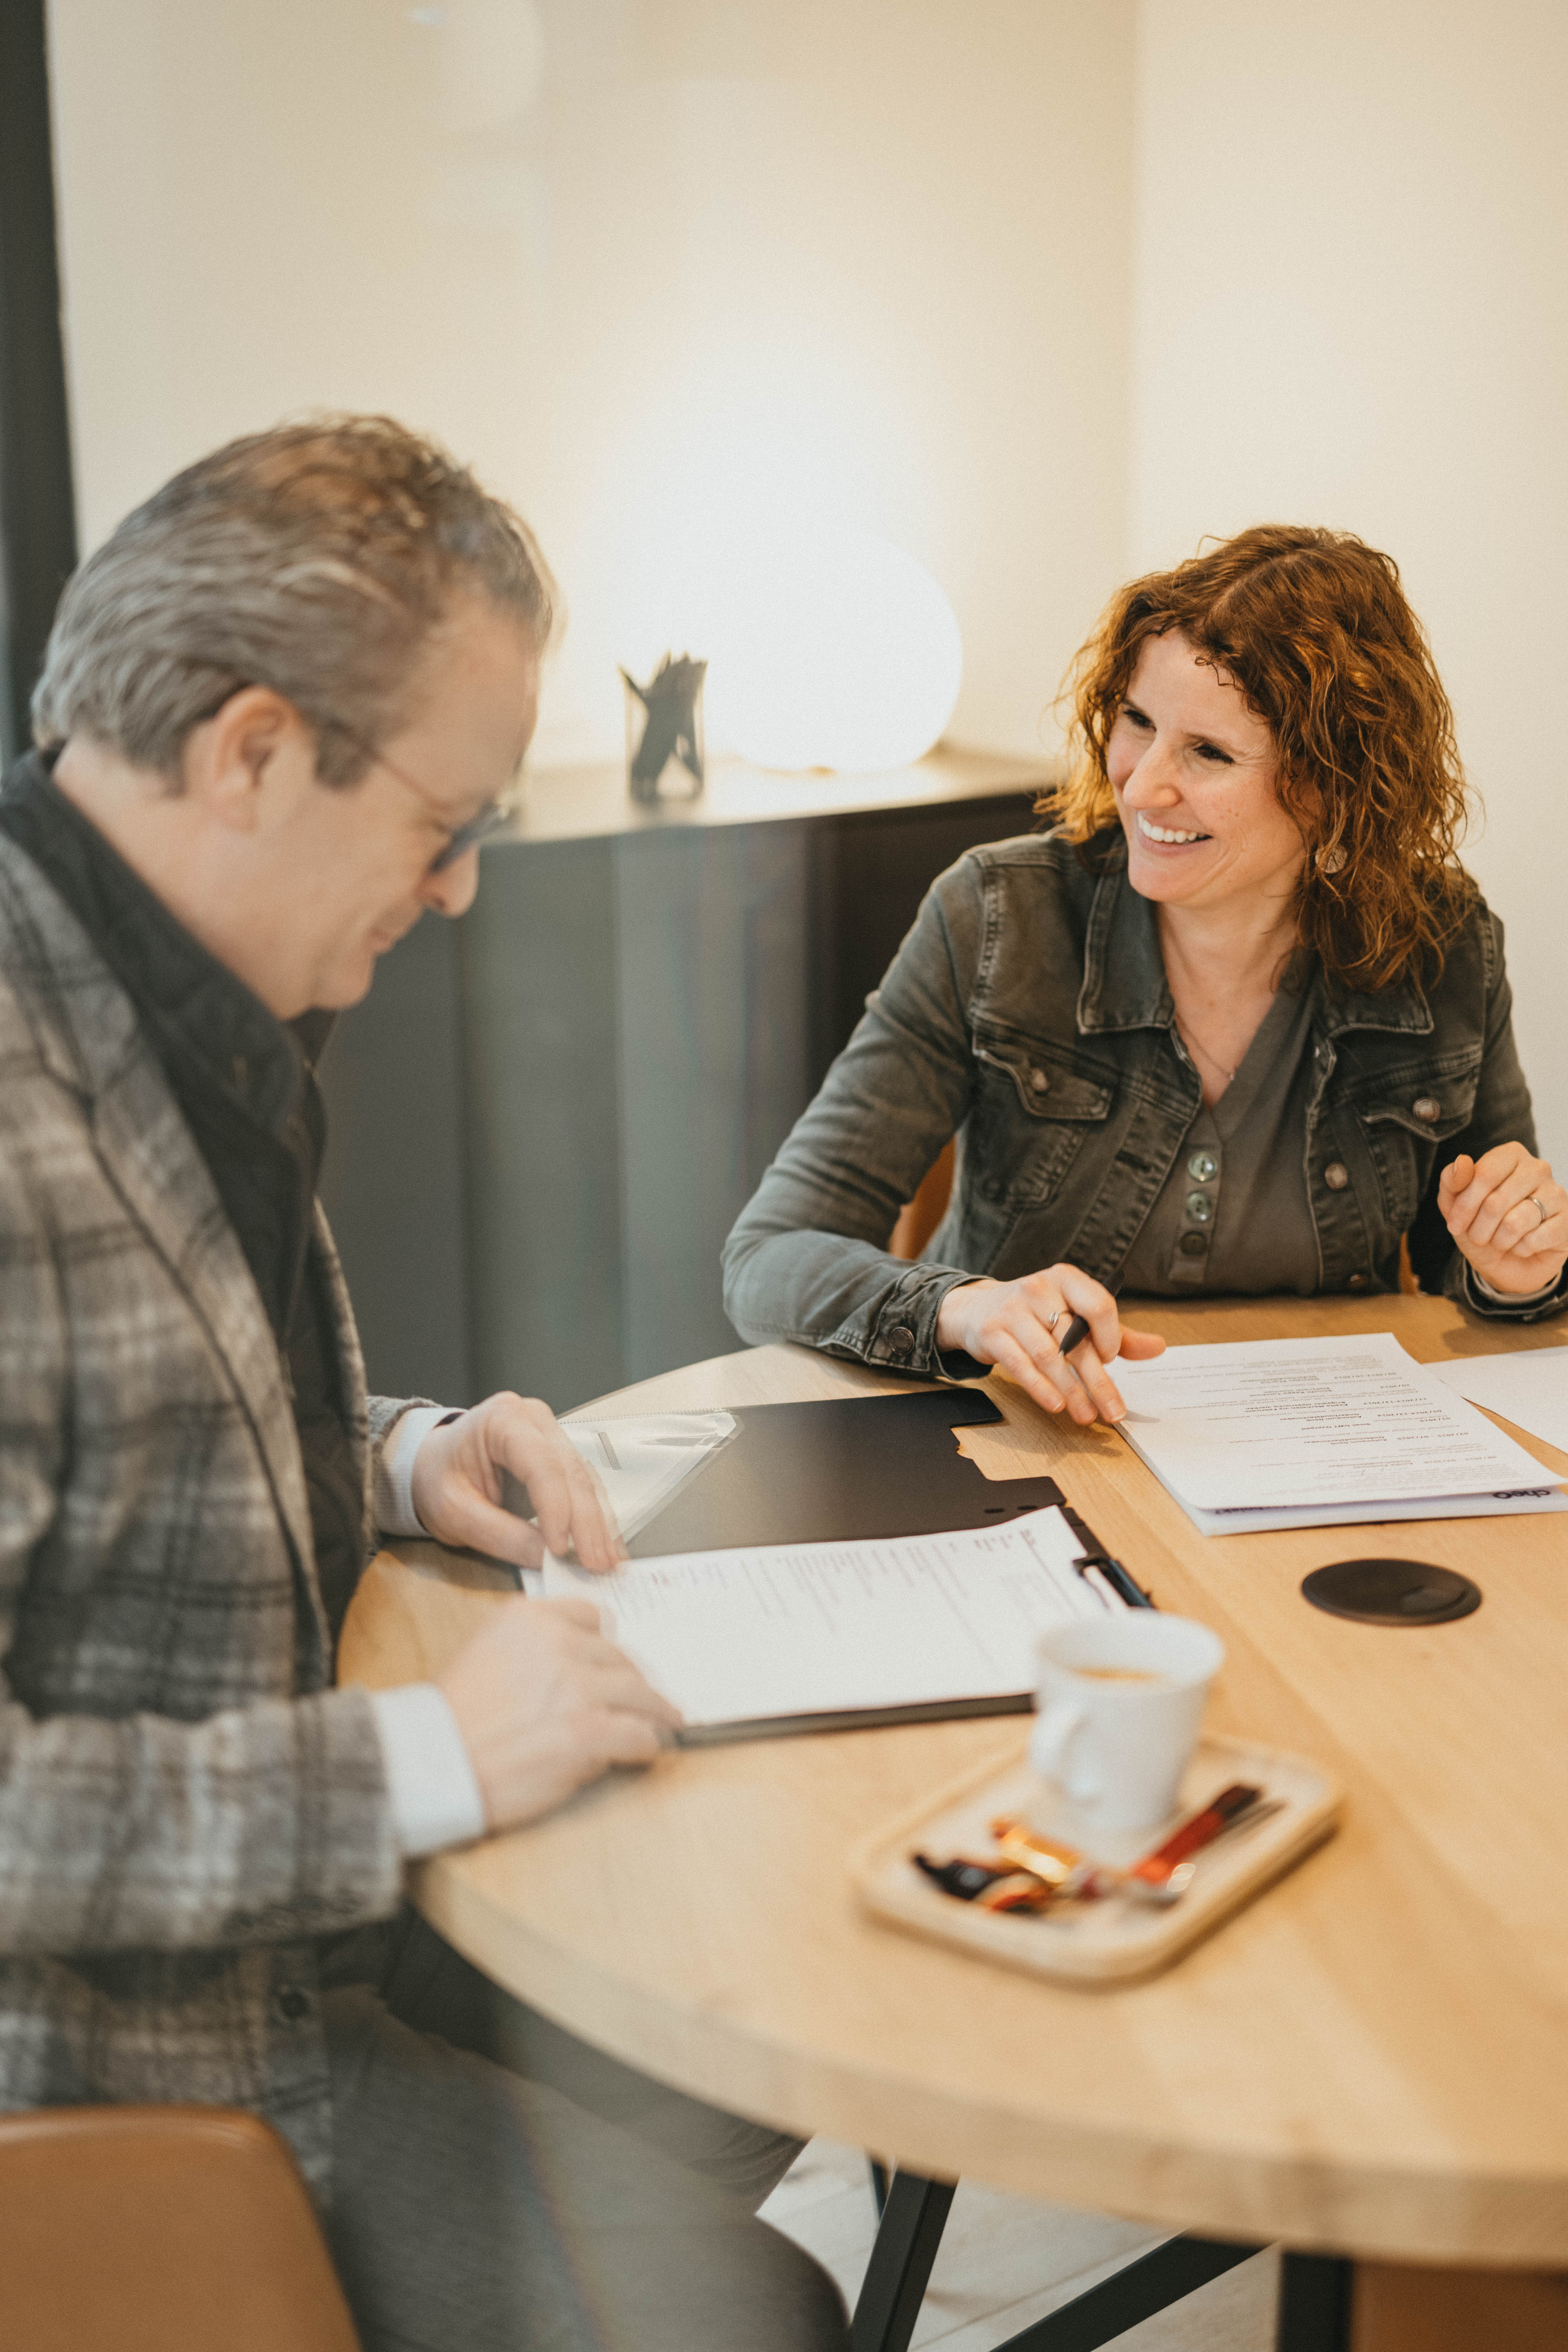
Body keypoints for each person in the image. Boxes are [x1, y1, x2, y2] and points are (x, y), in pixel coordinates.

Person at [0, 417, 848, 2352]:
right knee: (746, 2316)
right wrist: (423, 1756)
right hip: (130, 2073)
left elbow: (136, 1419)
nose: (461, 889)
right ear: (250, 752)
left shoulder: (164, 997)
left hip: (300, 1932)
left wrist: (399, 1456)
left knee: (767, 2007)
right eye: (443, 823)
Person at [724, 524, 1568, 1421]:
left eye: (1207, 752)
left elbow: (1469, 1276)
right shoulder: (995, 916)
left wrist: (1516, 1272)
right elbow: (771, 1255)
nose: (1140, 785)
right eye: (1137, 722)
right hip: (1022, 1447)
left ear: (1331, 791)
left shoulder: (1440, 945)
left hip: (1319, 1453)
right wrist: (960, 1307)